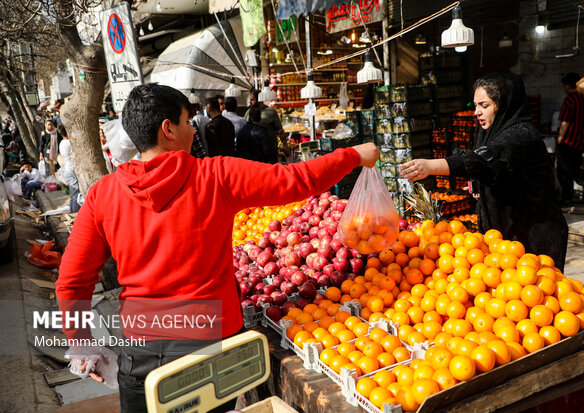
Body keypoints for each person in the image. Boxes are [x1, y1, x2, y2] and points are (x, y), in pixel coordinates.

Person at [55, 83, 379, 413]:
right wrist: (353, 155)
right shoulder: (214, 175)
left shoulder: (103, 194)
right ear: (167, 129)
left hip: (144, 354)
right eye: (185, 121)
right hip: (211, 348)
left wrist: (82, 345)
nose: (192, 128)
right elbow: (296, 179)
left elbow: (72, 281)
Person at [400, 73, 568, 270]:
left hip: (534, 235)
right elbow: (494, 168)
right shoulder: (492, 133)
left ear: (503, 105)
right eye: (476, 106)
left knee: (534, 293)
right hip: (507, 236)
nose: (476, 112)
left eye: (484, 105)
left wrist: (429, 166)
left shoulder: (521, 135)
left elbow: (483, 160)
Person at [556, 72, 584, 208]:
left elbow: (565, 122)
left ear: (568, 86)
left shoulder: (570, 100)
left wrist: (559, 139)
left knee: (564, 171)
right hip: (581, 141)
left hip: (568, 142)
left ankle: (567, 198)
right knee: (575, 168)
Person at [245, 89, 287, 162]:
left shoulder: (270, 112)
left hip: (270, 151)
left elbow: (280, 130)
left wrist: (285, 146)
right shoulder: (248, 112)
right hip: (255, 153)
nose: (250, 102)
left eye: (252, 100)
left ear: (259, 100)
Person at [57, 124, 81, 213]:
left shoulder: (62, 143)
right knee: (76, 195)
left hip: (67, 170)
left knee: (73, 195)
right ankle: (75, 214)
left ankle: (73, 212)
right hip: (71, 170)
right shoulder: (69, 143)